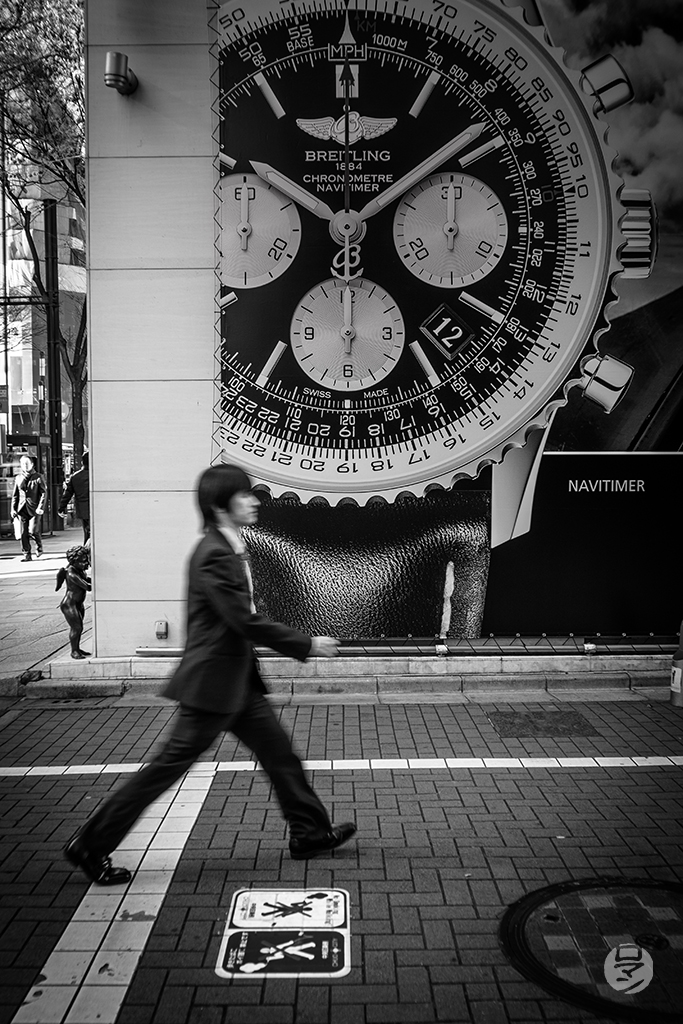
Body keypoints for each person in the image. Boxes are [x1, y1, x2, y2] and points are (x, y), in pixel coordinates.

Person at [64, 464, 356, 885]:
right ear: (221, 505)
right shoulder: (214, 553)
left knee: (281, 757)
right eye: (244, 495)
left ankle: (309, 833)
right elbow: (242, 620)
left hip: (236, 683)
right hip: (213, 686)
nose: (253, 501)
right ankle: (91, 844)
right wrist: (305, 644)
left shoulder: (226, 546)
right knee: (165, 769)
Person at [56, 545, 92, 659]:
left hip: (78, 603)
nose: (87, 564)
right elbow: (87, 586)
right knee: (77, 628)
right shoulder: (72, 573)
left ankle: (77, 648)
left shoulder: (79, 570)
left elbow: (87, 580)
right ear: (74, 561)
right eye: (83, 561)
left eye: (87, 560)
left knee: (79, 627)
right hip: (69, 604)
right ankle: (74, 651)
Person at [11, 455, 46, 561]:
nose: (25, 466)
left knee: (33, 531)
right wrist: (13, 509)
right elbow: (15, 495)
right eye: (23, 464)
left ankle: (39, 547)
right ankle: (26, 554)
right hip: (22, 509)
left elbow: (44, 493)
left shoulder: (38, 477)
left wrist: (40, 507)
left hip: (35, 509)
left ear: (32, 464)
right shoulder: (18, 478)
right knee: (23, 533)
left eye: (27, 464)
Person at [59, 450, 90, 542]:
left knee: (87, 531)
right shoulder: (98, 475)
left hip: (83, 508)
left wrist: (61, 507)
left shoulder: (75, 477)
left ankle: (87, 547)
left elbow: (68, 494)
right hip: (98, 508)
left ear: (82, 462)